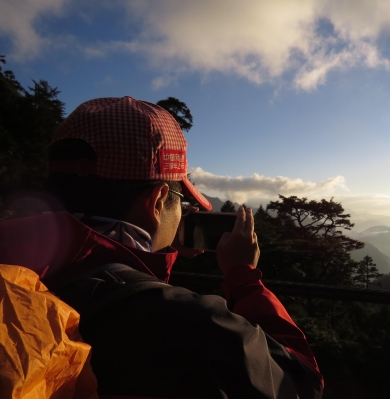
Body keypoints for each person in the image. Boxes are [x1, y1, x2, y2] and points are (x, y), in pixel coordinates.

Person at [0, 97, 323, 398]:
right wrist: (244, 277)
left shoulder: (17, 270)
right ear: (156, 202)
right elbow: (300, 382)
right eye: (179, 201)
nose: (182, 212)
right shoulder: (195, 326)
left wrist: (149, 256)